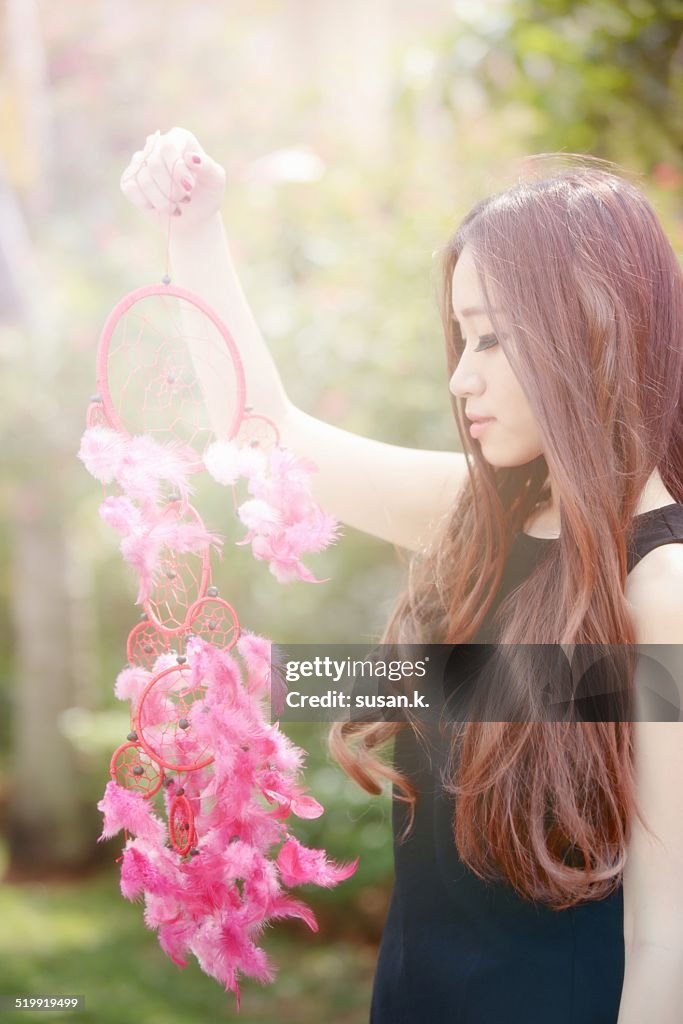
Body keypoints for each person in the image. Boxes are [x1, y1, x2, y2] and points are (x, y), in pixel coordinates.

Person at [121, 128, 683, 1023]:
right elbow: (266, 441)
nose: (461, 378)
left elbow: (669, 941)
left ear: (596, 326)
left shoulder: (661, 587)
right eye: (461, 338)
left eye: (494, 340)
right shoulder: (487, 511)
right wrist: (234, 701)